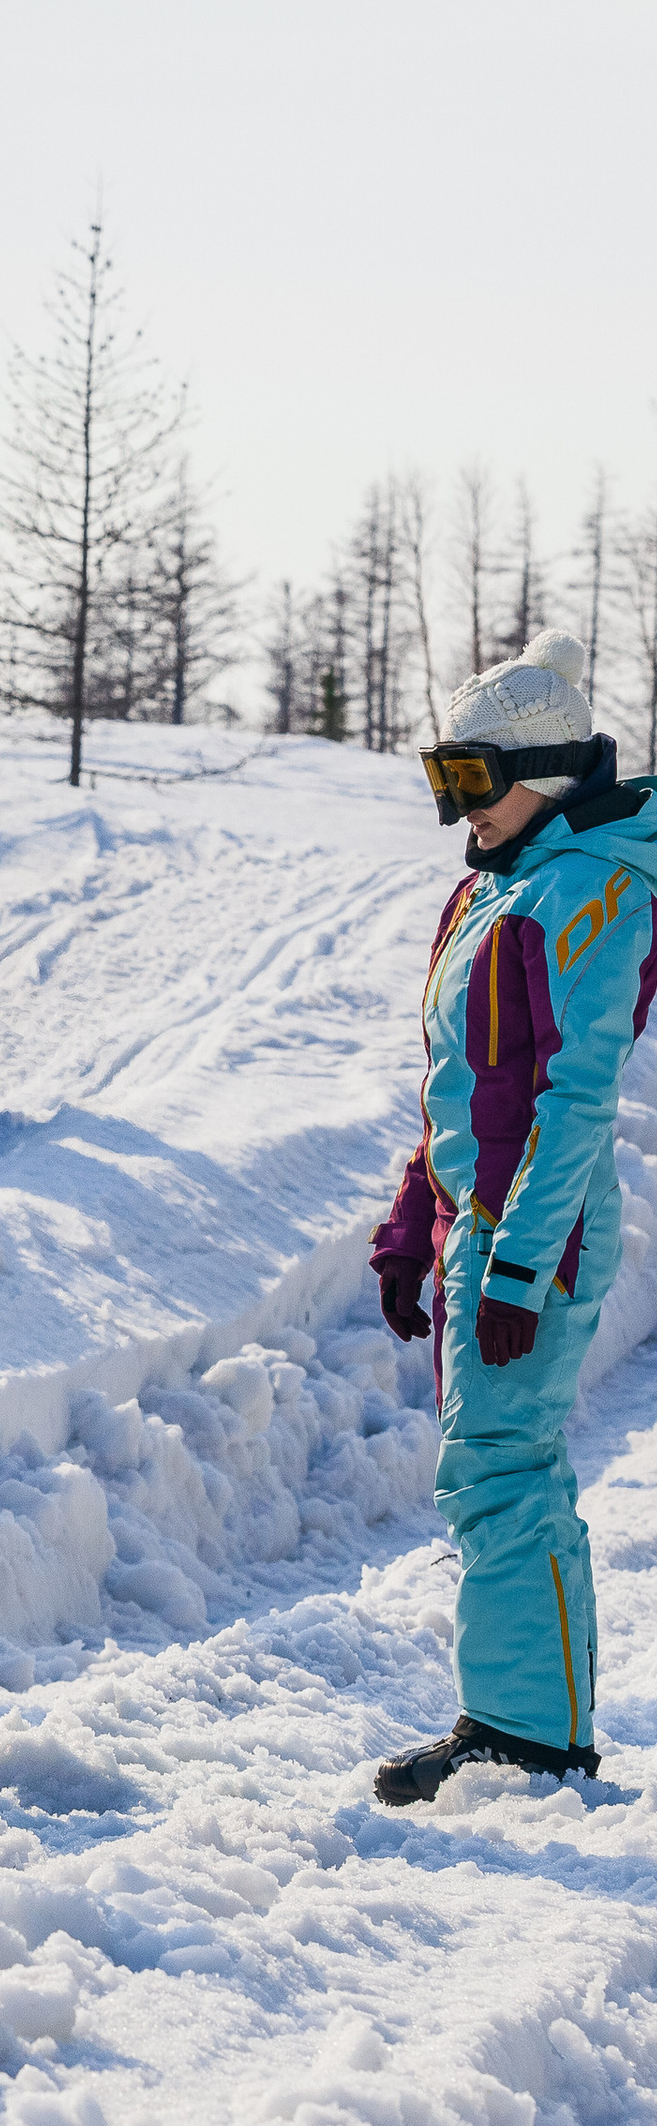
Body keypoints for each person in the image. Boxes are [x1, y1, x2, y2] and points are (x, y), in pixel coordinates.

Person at [369, 630, 657, 1804]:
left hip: (539, 1221)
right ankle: (522, 1718)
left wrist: (520, 1269)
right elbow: (459, 1076)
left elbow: (570, 1097)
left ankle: (531, 1736)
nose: (458, 814)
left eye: (472, 785)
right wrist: (410, 1223)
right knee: (494, 1466)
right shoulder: (498, 883)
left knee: (501, 1469)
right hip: (479, 1216)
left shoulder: (590, 886)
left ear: (540, 772)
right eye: (446, 783)